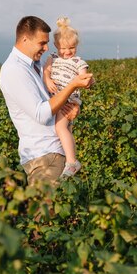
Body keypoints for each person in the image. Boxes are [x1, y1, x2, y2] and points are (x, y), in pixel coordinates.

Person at [0, 16, 93, 185]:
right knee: (44, 210)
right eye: (42, 43)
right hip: (44, 157)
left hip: (55, 154)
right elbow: (41, 114)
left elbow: (56, 97)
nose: (46, 47)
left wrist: (72, 107)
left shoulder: (37, 64)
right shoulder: (14, 70)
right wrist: (72, 87)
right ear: (25, 39)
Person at [43, 16, 89, 178]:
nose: (68, 52)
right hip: (57, 97)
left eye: (72, 48)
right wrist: (47, 79)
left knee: (60, 128)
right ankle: (67, 158)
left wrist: (88, 81)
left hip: (69, 99)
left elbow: (85, 78)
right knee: (65, 129)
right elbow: (46, 71)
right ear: (56, 46)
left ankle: (72, 162)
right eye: (63, 48)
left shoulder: (78, 61)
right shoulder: (52, 58)